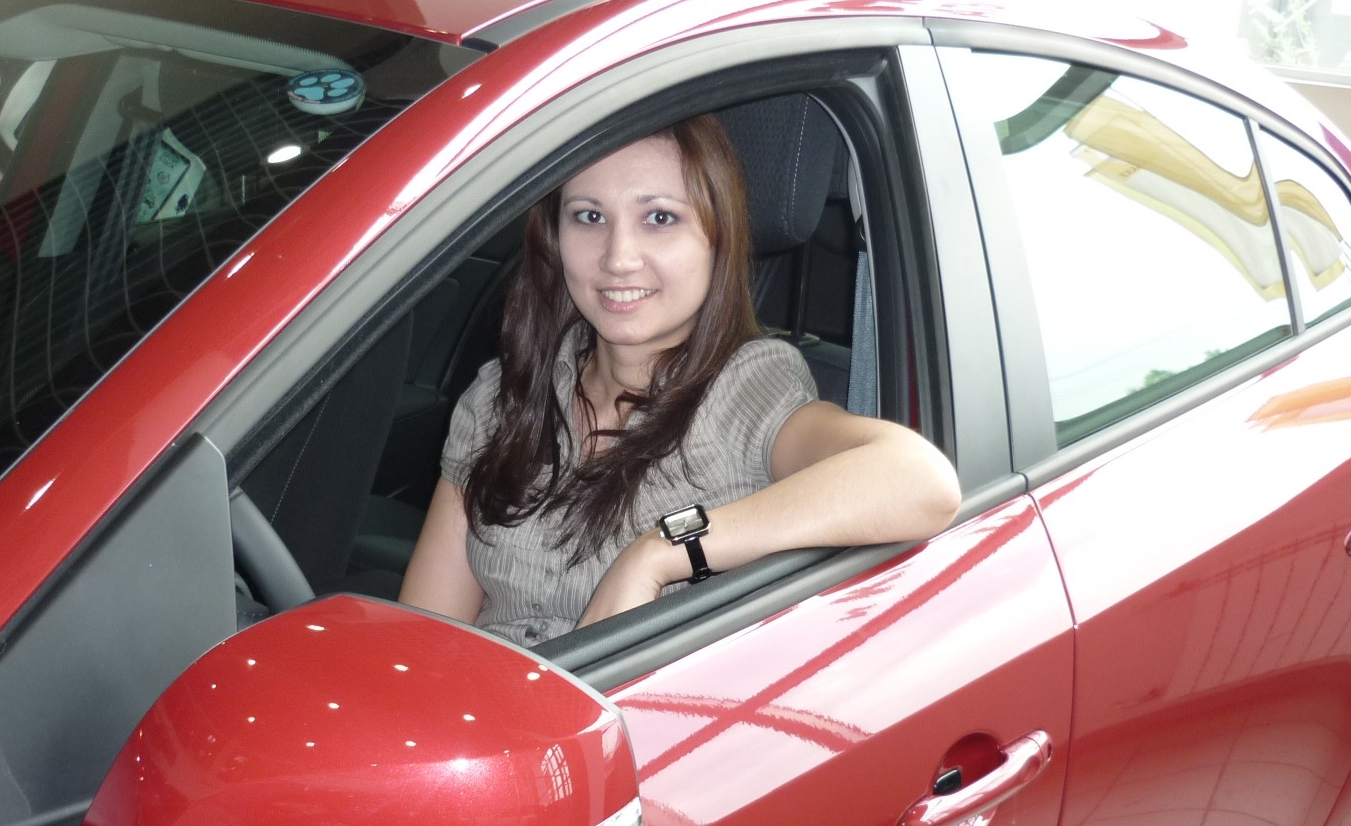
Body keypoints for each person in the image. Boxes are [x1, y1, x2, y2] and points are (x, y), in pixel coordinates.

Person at [399, 113, 961, 647]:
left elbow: (919, 480)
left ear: (716, 238)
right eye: (589, 217)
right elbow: (424, 639)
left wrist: (661, 550)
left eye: (660, 218)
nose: (618, 258)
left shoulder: (747, 391)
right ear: (554, 236)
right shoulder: (504, 394)